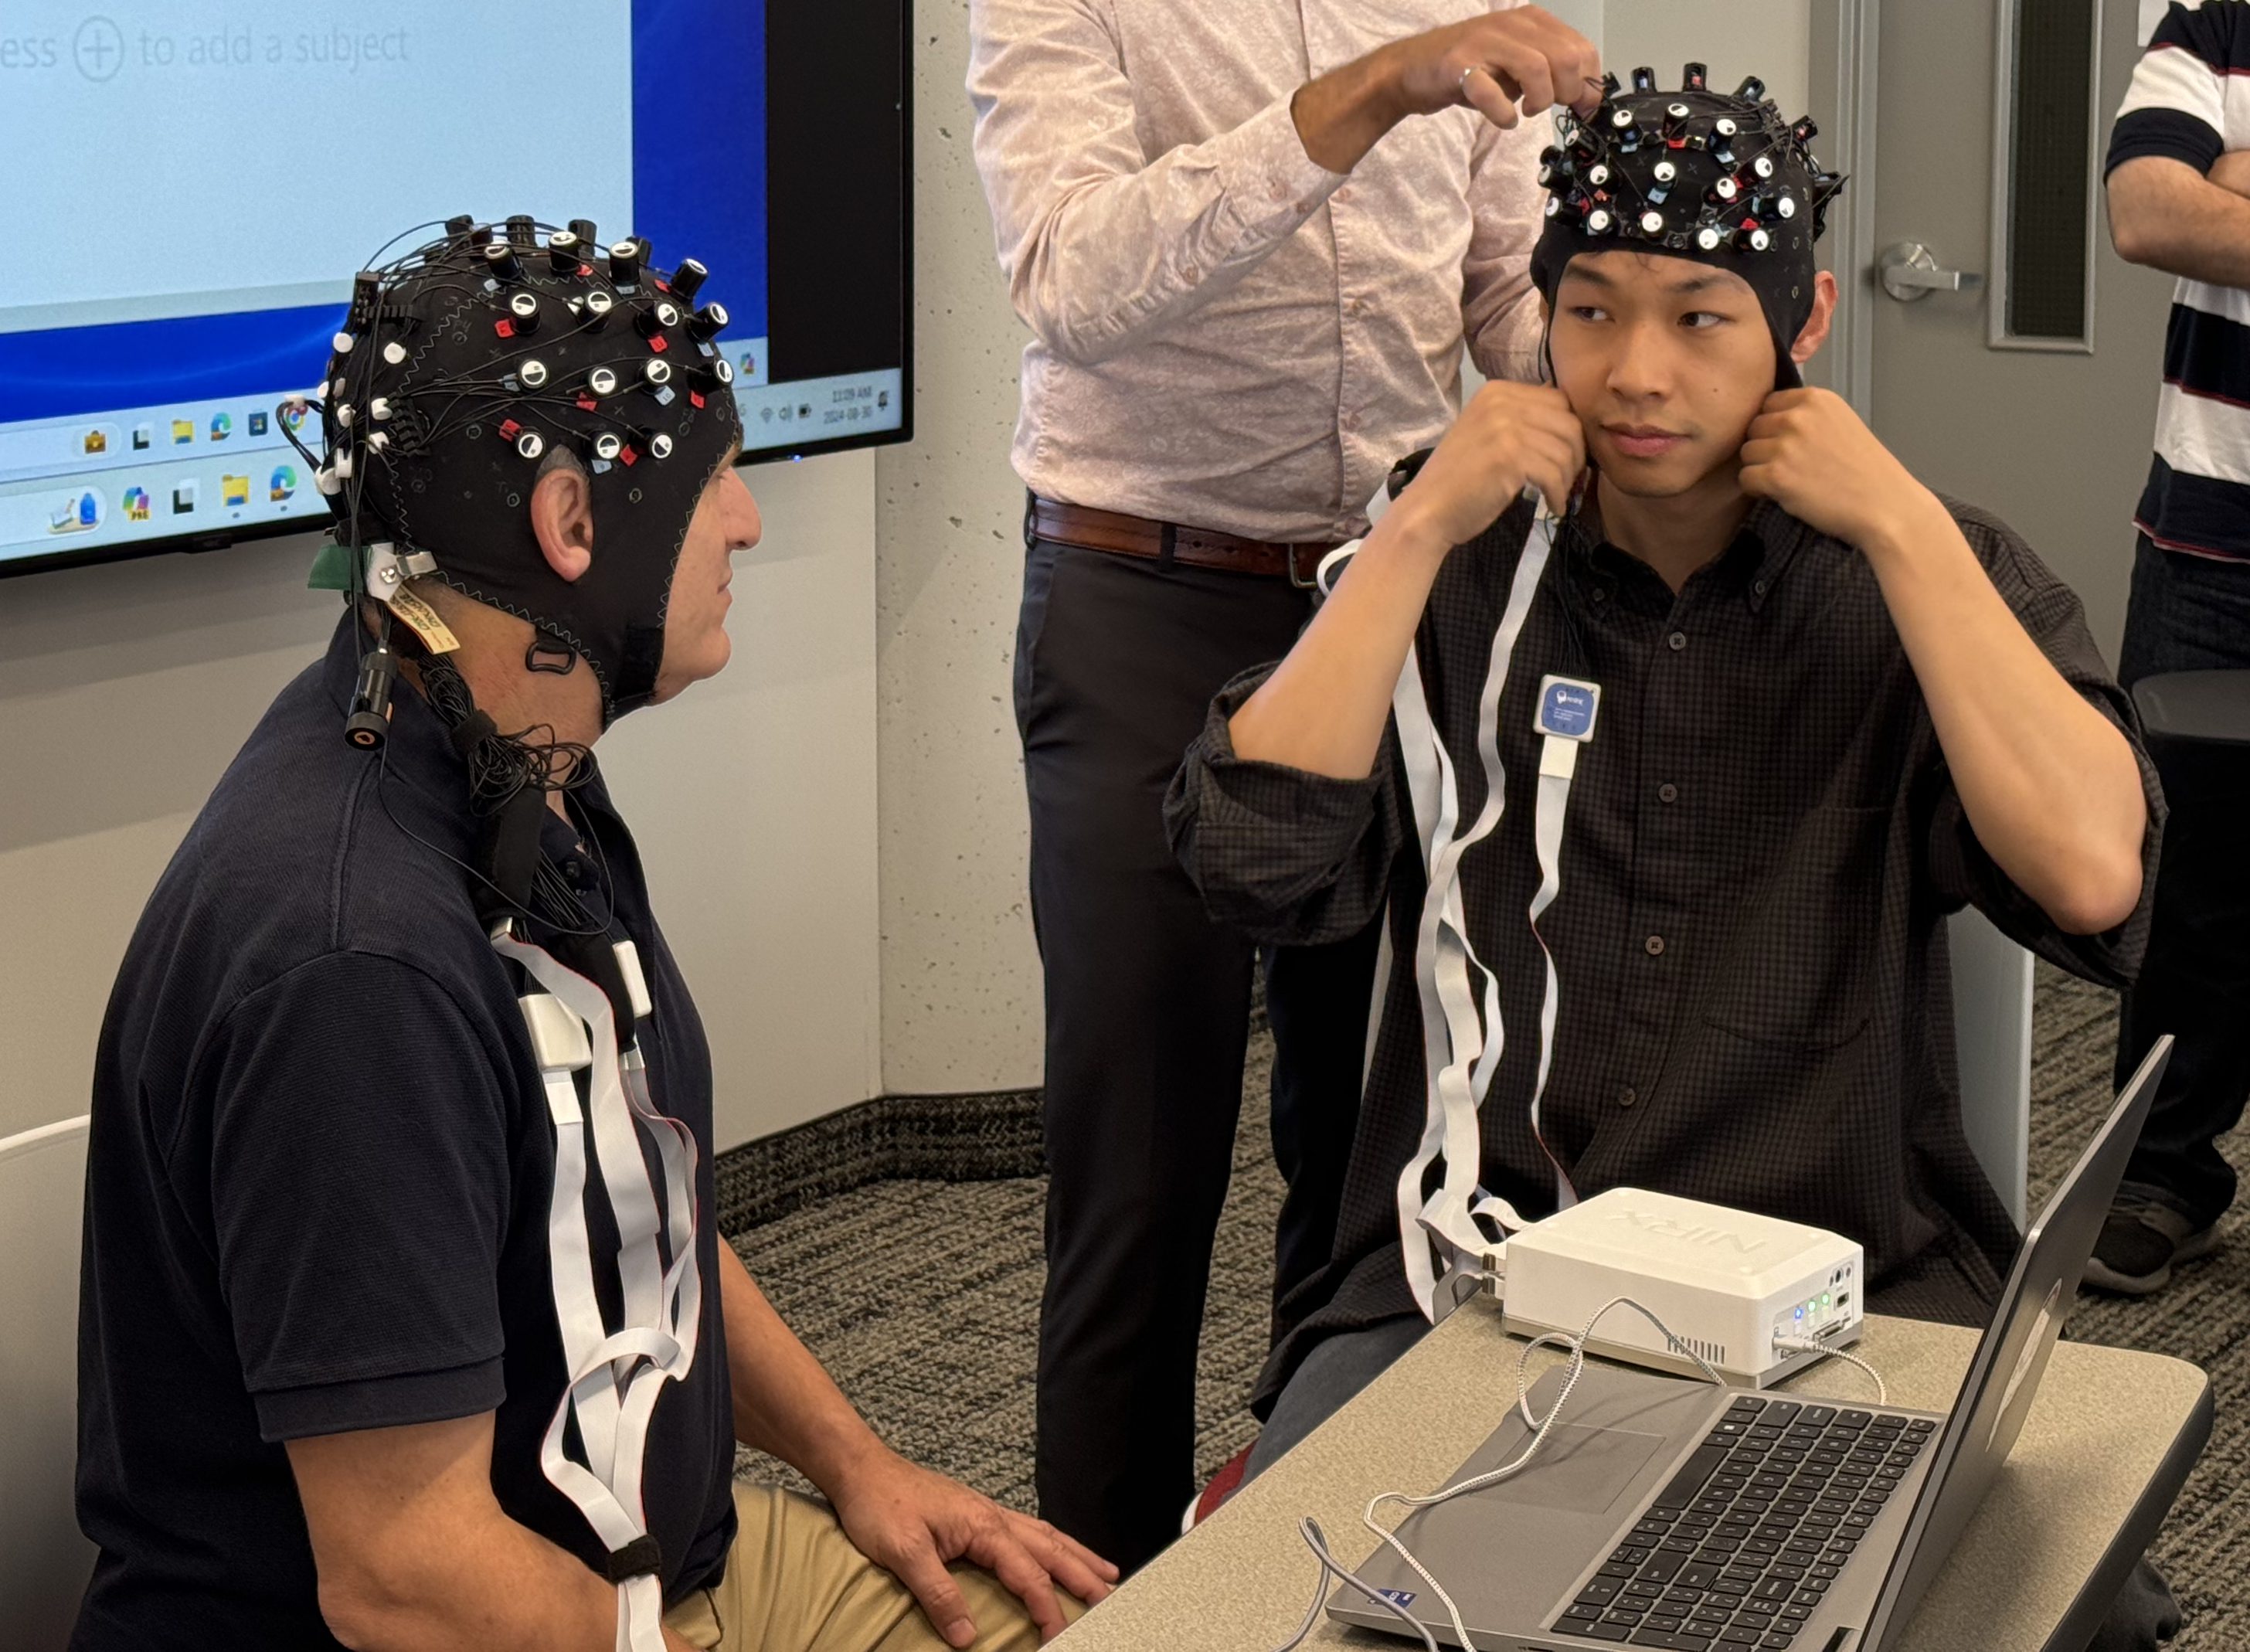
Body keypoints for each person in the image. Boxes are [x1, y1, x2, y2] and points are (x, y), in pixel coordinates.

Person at [1167, 73, 2181, 1646]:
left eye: (1701, 317)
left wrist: (1903, 529)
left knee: (2055, 1610)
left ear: (1804, 318)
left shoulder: (1916, 571)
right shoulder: (1460, 571)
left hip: (1844, 1278)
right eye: (1589, 311)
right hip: (1469, 1277)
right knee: (1290, 1606)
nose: (1634, 373)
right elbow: (1251, 862)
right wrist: (1417, 527)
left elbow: (2093, 876)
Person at [71, 220, 1113, 1652]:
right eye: (715, 479)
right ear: (569, 523)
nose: (747, 521)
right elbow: (401, 1572)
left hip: (645, 1579)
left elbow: (638, 1211)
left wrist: (862, 1468)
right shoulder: (357, 962)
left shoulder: (508, 754)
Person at [967, 0, 1603, 1569]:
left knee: (1373, 1150)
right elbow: (1075, 281)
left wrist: (1651, 320)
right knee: (1141, 1158)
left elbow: (1503, 313)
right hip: (1142, 590)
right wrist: (1373, 92)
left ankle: (1309, 1557)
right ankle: (1101, 1592)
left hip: (1389, 588)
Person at [2095, 0, 2250, 1294]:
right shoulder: (2214, 24)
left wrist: (2240, 188)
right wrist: (2205, 197)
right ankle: (2163, 1170)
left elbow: (2204, 207)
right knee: (2184, 871)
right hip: (2212, 537)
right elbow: (2151, 214)